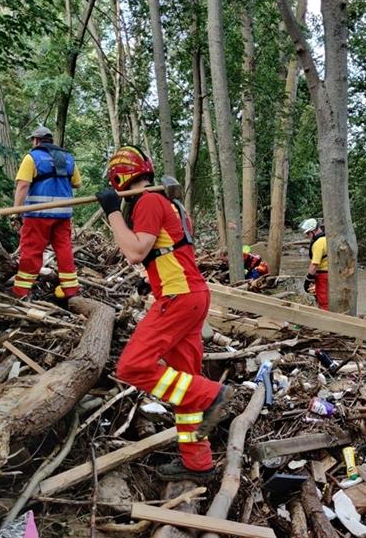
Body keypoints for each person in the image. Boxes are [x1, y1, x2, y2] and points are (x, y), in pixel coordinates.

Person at [95, 145, 233, 483]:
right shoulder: (166, 202)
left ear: (119, 178)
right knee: (183, 382)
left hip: (179, 296)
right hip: (191, 293)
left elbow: (135, 251)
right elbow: (161, 253)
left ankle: (212, 394)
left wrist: (112, 211)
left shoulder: (148, 201)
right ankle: (198, 464)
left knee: (132, 366)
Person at [11, 125, 81, 300]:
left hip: (38, 213)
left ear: (36, 141)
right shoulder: (68, 158)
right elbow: (77, 183)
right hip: (63, 214)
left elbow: (23, 185)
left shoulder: (31, 157)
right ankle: (70, 290)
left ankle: (21, 292)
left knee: (32, 250)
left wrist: (15, 211)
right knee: (64, 248)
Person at [300, 218, 328, 310]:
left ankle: (325, 320)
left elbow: (314, 264)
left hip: (323, 275)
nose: (307, 236)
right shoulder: (326, 239)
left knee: (323, 299)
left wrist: (308, 279)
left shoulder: (318, 243)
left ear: (313, 231)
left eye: (308, 233)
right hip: (330, 273)